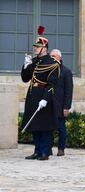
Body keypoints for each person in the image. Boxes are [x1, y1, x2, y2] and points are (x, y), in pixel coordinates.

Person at [21, 26, 60, 161]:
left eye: (38, 47)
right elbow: (25, 78)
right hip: (33, 95)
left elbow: (52, 84)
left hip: (44, 96)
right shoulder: (35, 61)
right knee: (35, 125)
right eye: (35, 46)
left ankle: (45, 152)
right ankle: (37, 150)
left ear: (44, 48)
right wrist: (26, 66)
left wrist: (45, 99)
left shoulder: (52, 63)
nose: (35, 48)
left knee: (44, 126)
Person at [50, 49, 73, 156]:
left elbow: (69, 91)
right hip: (49, 104)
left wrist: (66, 107)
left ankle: (61, 149)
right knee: (48, 128)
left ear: (60, 57)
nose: (52, 58)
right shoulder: (48, 70)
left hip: (60, 105)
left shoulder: (66, 71)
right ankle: (47, 148)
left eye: (54, 56)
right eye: (51, 56)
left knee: (61, 129)